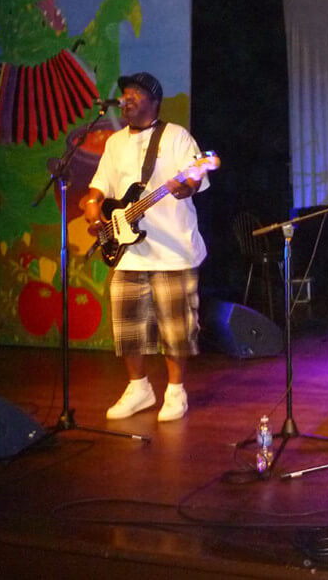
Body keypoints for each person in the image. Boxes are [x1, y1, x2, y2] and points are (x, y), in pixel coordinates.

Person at [83, 72, 210, 422]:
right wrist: (93, 206)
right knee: (128, 327)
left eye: (136, 93)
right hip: (128, 251)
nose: (127, 99)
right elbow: (100, 186)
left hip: (173, 251)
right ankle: (138, 388)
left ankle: (175, 391)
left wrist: (186, 185)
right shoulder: (115, 143)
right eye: (124, 93)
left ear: (154, 101)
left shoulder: (176, 136)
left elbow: (194, 179)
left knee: (176, 329)